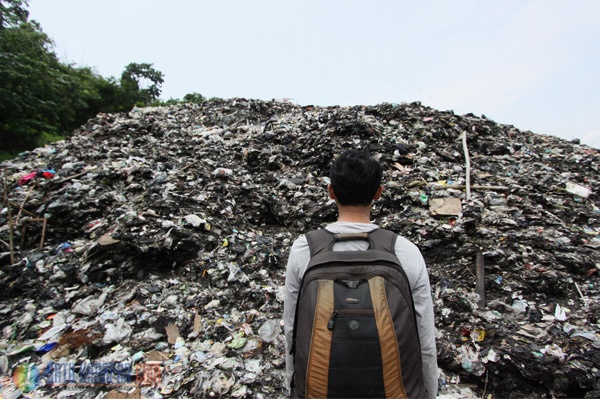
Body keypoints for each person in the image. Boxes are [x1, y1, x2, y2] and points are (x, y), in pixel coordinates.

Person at [283, 149, 438, 398]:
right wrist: (429, 392)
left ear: (331, 192)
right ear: (378, 192)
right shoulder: (404, 251)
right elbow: (426, 340)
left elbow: (292, 330)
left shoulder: (305, 249)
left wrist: (296, 385)